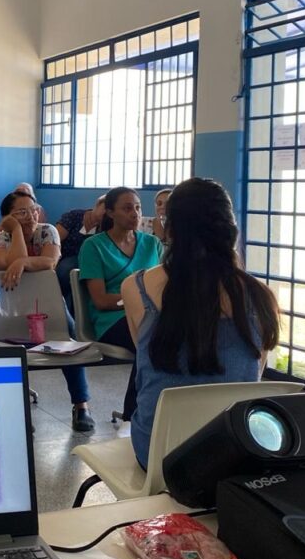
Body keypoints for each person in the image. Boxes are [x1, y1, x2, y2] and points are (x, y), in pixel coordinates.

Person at [121, 178, 280, 469]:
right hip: (239, 453)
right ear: (231, 229)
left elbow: (146, 363)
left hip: (158, 454)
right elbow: (252, 374)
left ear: (169, 229)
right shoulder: (261, 297)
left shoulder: (137, 288)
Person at [0, 190, 94, 431]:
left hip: (45, 304)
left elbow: (50, 261)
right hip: (5, 305)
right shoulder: (0, 238)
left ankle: (81, 405)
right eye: (21, 212)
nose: (30, 216)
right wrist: (15, 231)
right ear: (7, 218)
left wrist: (23, 262)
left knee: (68, 336)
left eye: (33, 210)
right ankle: (16, 409)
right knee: (1, 347)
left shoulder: (47, 231)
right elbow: (6, 263)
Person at [78, 187, 163, 421]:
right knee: (152, 340)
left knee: (168, 335)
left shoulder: (153, 244)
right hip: (111, 321)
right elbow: (101, 301)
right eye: (127, 208)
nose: (135, 213)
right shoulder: (94, 247)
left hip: (151, 317)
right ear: (110, 213)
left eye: (137, 207)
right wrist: (137, 303)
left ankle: (161, 409)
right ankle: (136, 415)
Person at [54, 195, 105, 311]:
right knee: (67, 267)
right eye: (105, 208)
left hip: (88, 262)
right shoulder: (74, 216)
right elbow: (55, 239)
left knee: (76, 274)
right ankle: (57, 301)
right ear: (97, 205)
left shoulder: (106, 227)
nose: (106, 213)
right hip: (63, 256)